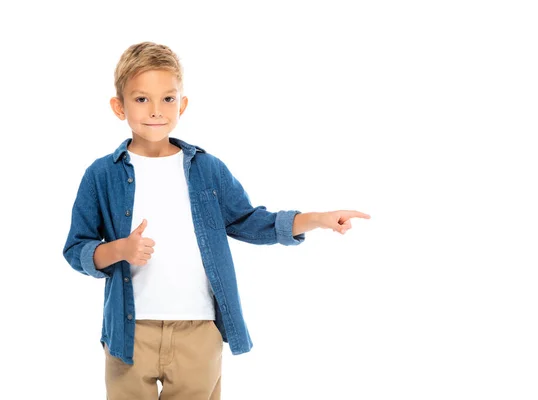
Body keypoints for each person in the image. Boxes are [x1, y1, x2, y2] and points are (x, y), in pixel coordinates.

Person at [62, 41, 370, 400]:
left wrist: (316, 219)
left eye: (168, 99)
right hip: (128, 334)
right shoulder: (101, 175)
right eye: (141, 99)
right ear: (119, 106)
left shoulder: (206, 169)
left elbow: (251, 222)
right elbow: (76, 249)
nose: (156, 110)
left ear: (183, 104)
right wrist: (120, 249)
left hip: (199, 331)